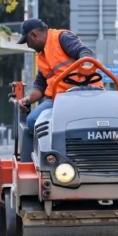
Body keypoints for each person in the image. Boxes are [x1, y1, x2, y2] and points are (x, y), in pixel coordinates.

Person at [16, 18, 96, 160]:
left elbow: (84, 51)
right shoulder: (41, 57)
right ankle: (49, 158)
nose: (28, 46)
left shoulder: (62, 38)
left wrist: (86, 65)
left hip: (84, 94)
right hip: (58, 99)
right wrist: (27, 99)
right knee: (32, 120)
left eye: (27, 41)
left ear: (34, 35)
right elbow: (40, 86)